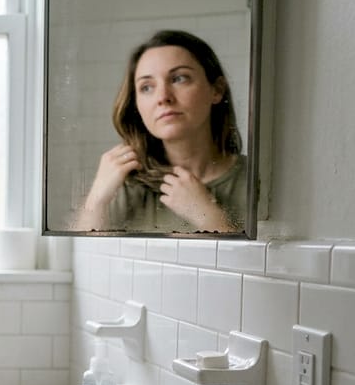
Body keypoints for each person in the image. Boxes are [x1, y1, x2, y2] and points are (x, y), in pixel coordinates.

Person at [72, 30, 248, 233]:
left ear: (216, 90)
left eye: (179, 78)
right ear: (136, 104)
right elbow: (89, 257)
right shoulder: (125, 185)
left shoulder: (255, 180)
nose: (163, 97)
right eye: (147, 87)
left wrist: (208, 216)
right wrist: (97, 198)